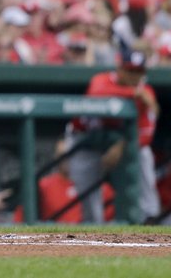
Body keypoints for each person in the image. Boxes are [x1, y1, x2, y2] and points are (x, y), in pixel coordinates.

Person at [66, 47, 161, 223]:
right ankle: (93, 234)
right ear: (120, 68)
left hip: (120, 143)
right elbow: (96, 94)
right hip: (85, 141)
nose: (135, 76)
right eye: (130, 70)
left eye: (139, 72)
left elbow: (146, 135)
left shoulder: (147, 92)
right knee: (89, 203)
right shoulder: (102, 80)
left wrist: (121, 146)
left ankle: (149, 216)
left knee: (143, 154)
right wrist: (134, 94)